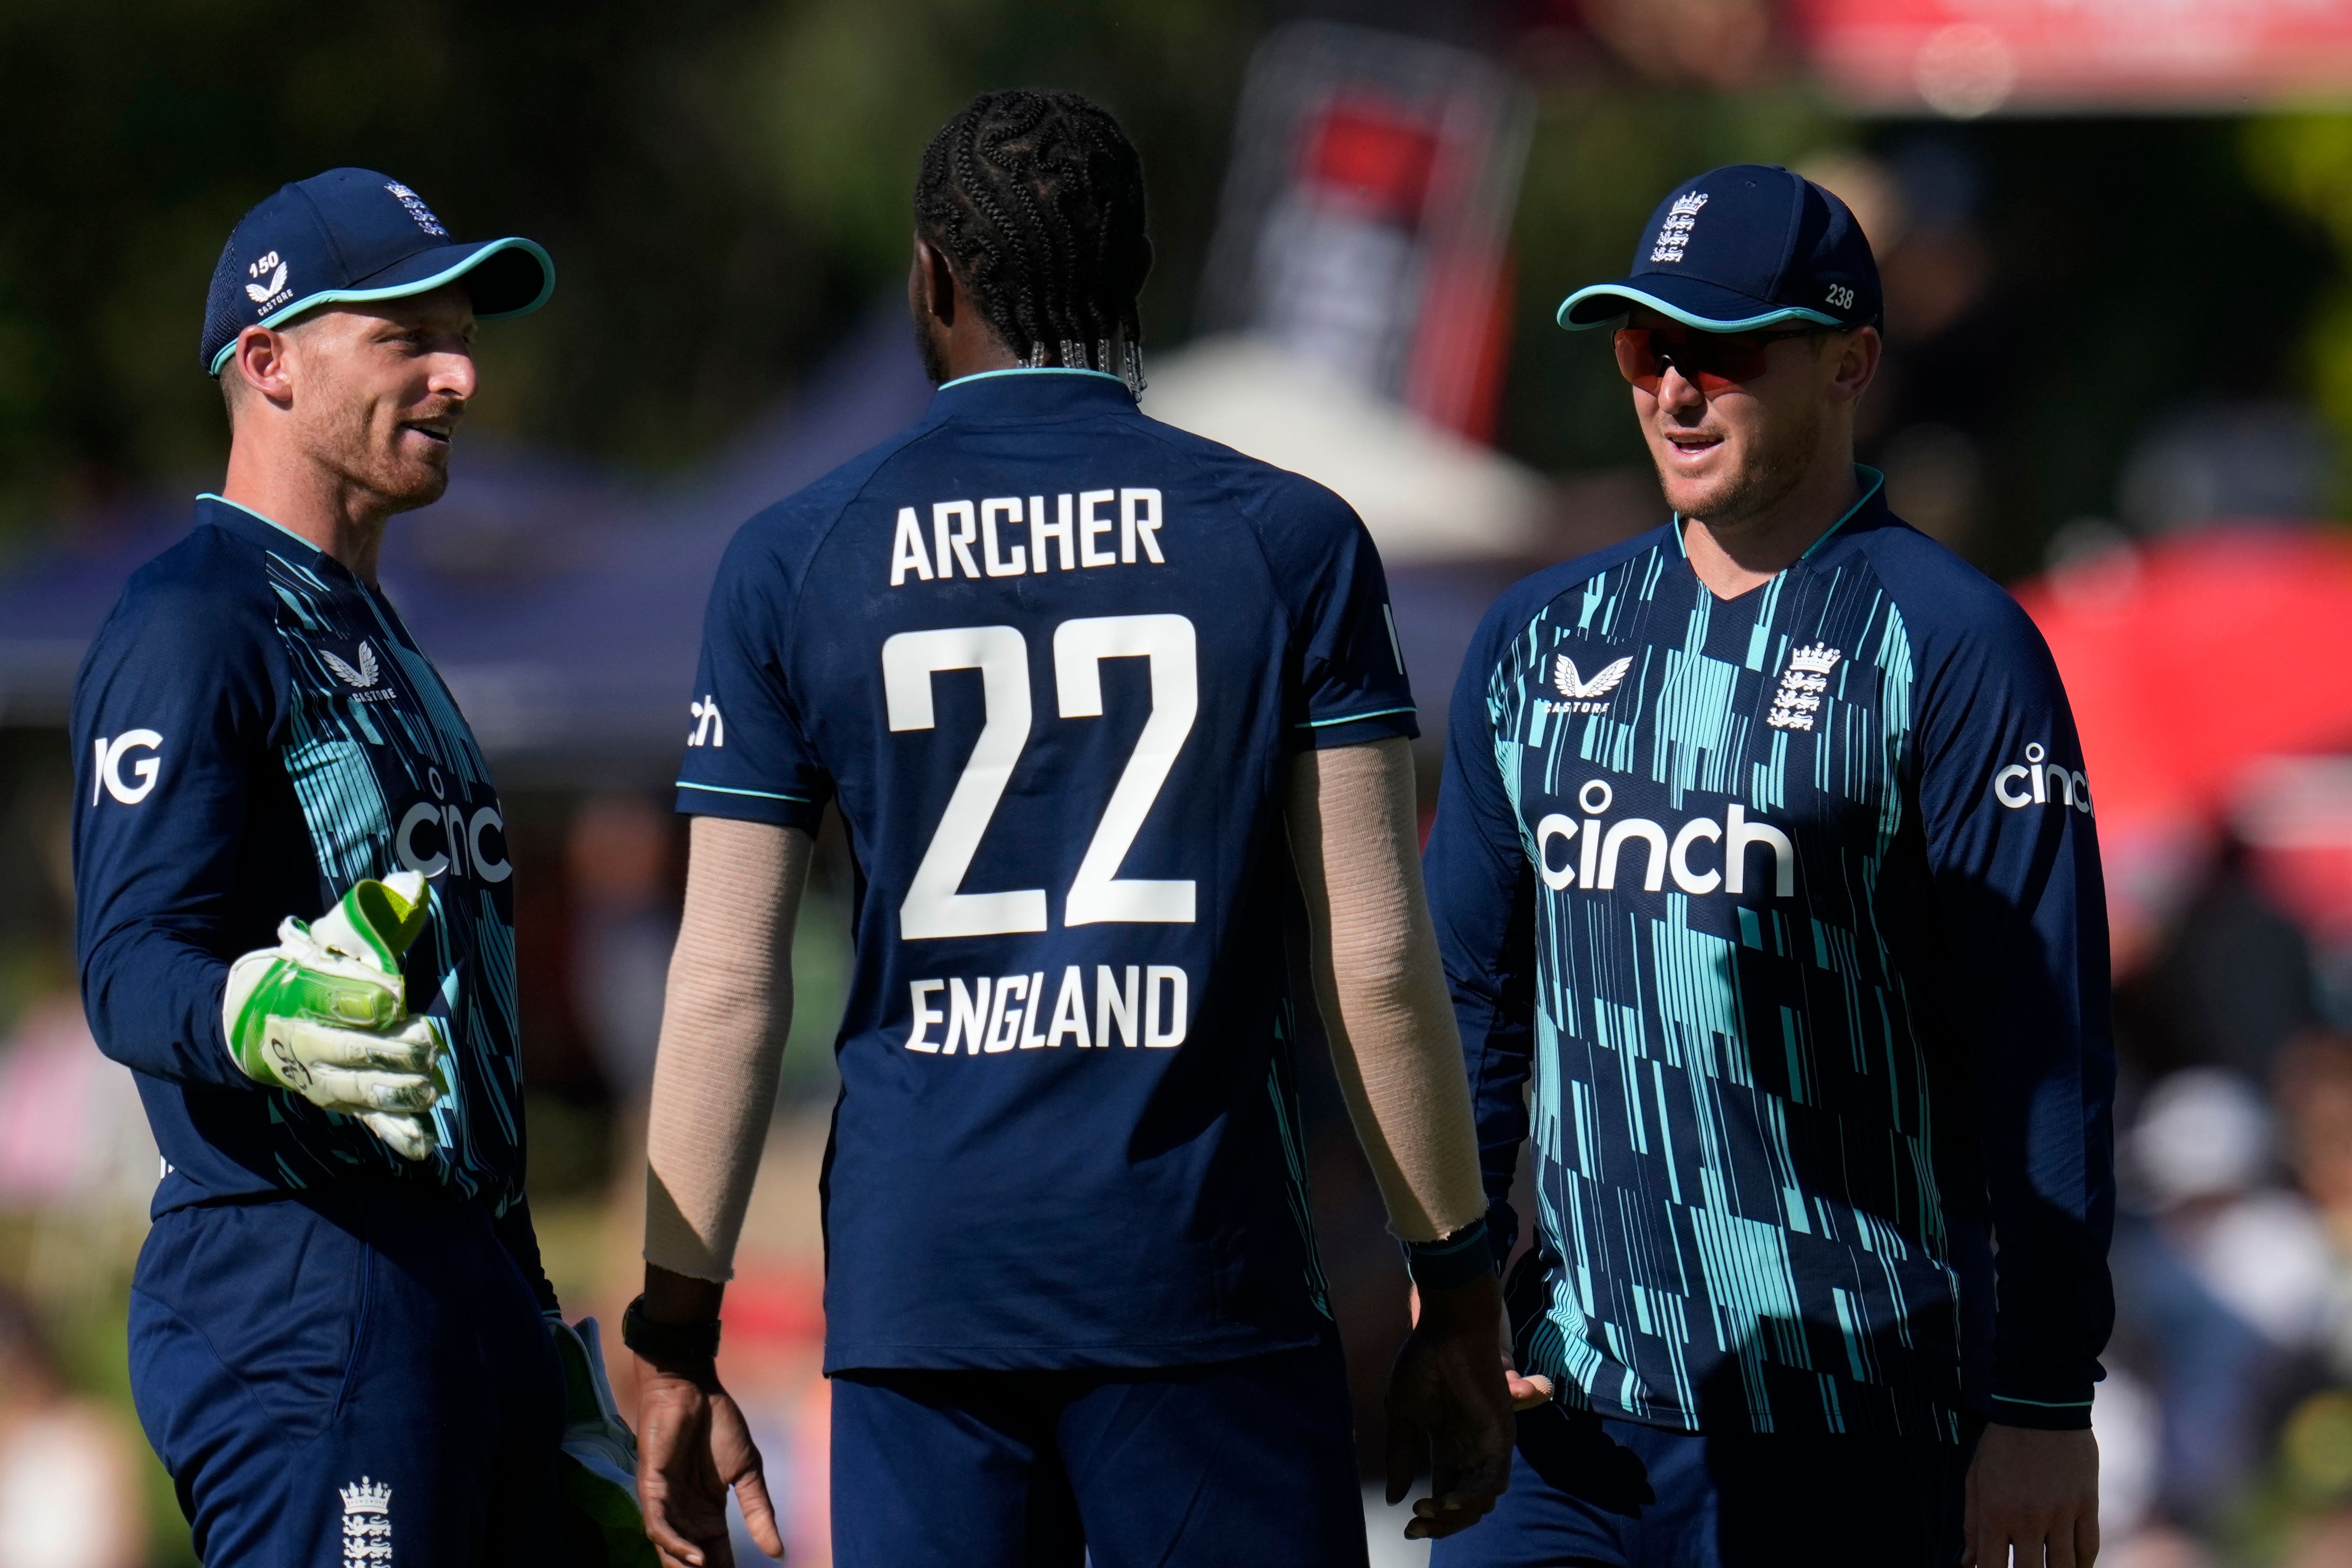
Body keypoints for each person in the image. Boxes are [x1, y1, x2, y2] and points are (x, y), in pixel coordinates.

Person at [626, 89, 1515, 1568]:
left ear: (931, 277)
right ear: (1138, 275)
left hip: (927, 1294)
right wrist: (1457, 1284)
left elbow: (727, 981)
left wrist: (675, 1321)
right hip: (1201, 1273)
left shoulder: (796, 557)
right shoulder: (1287, 539)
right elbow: (1373, 953)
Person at [1420, 164, 2115, 1568]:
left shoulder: (1954, 645)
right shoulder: (1538, 639)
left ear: (1849, 360)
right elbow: (1468, 999)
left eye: (1723, 352)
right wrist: (1450, 1294)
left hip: (1853, 1416)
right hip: (1576, 1415)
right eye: (1643, 347)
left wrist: (2043, 1399)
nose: (1675, 389)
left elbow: (2051, 1057)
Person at [69, 168, 612, 1566]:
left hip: (459, 1294)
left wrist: (534, 1320)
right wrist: (257, 1007)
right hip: (300, 1284)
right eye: (404, 337)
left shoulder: (376, 629)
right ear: (268, 364)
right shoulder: (195, 615)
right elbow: (126, 965)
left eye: (466, 338)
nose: (458, 376)